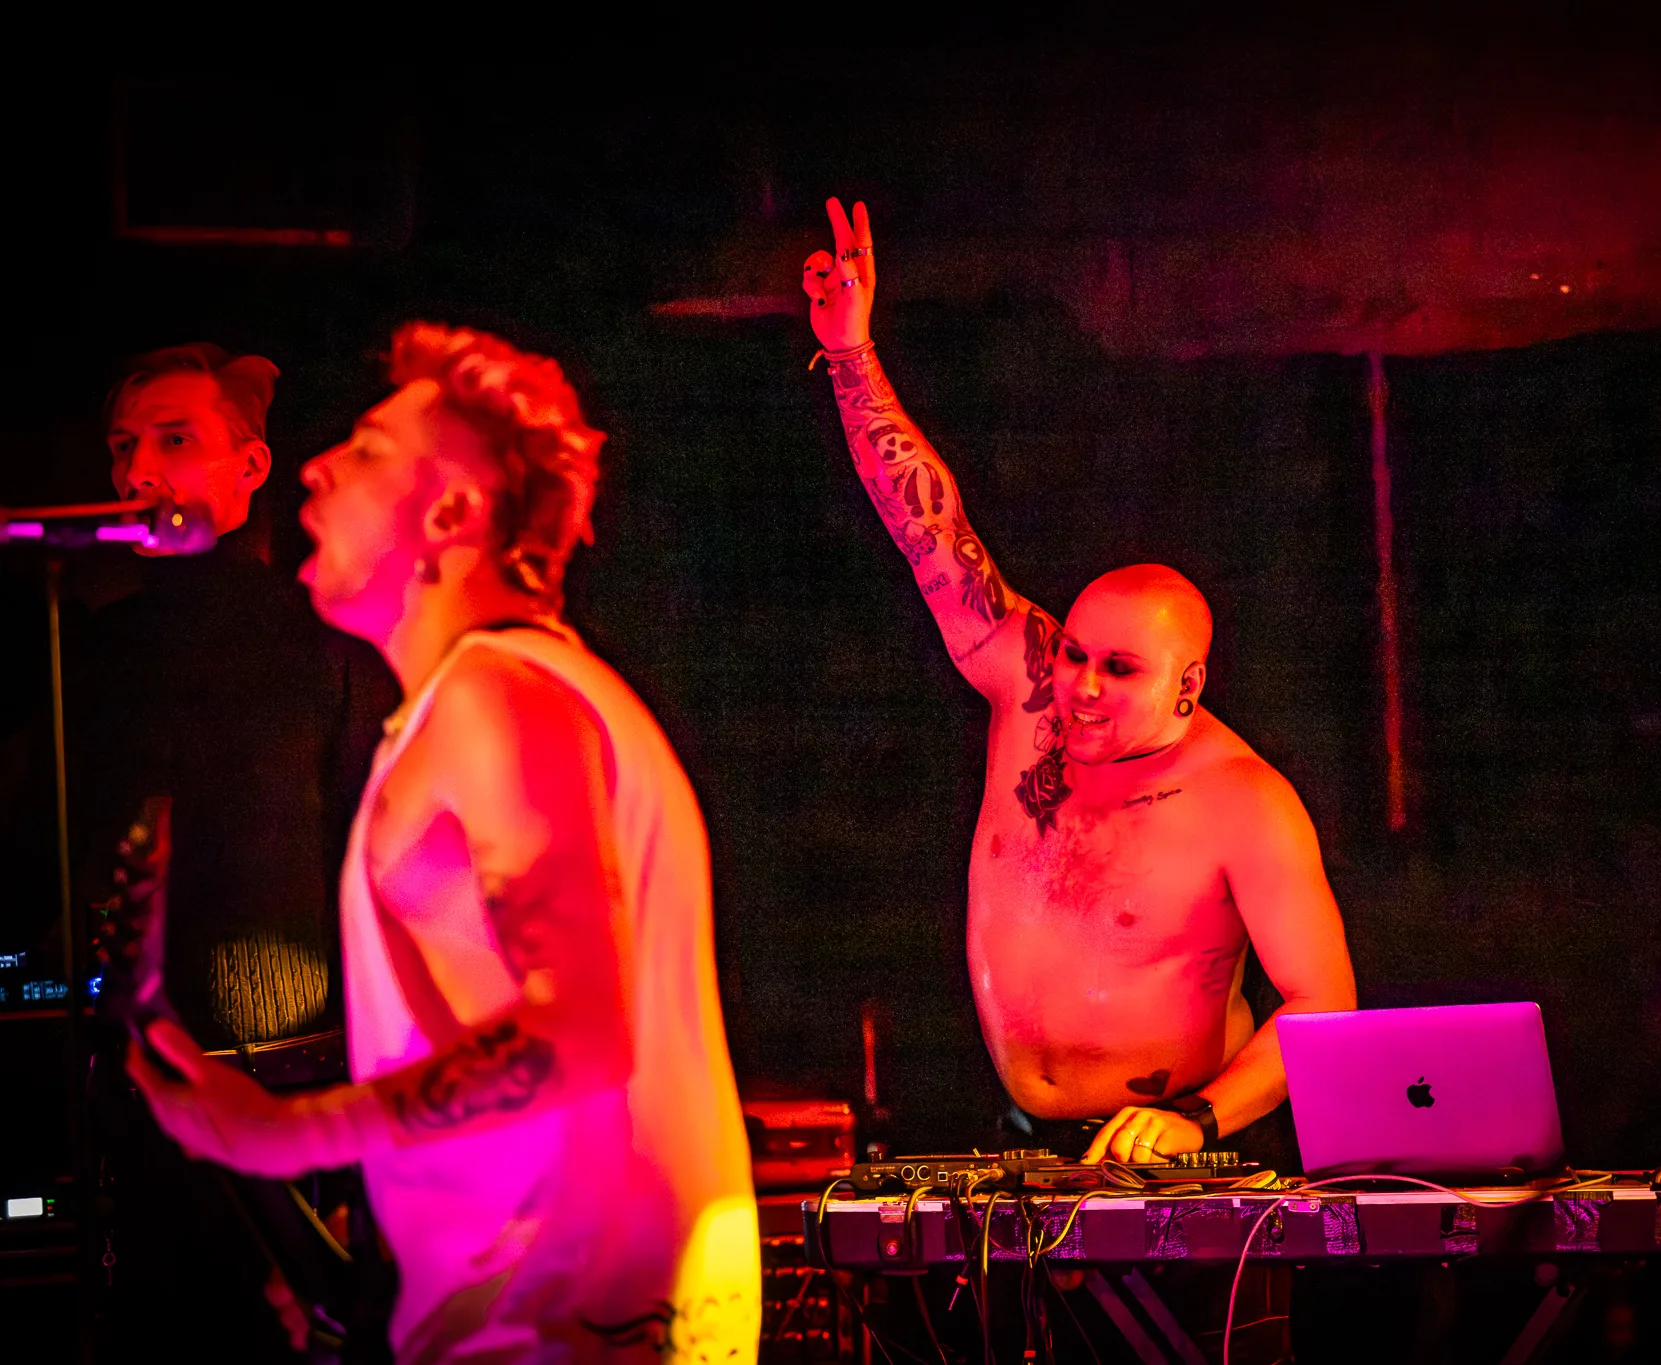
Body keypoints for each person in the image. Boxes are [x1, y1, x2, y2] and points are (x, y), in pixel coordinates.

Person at [130, 323, 758, 1363]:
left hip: (564, 1318)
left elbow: (575, 1033)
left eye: (368, 451)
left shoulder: (494, 693)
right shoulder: (506, 695)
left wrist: (289, 1132)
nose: (317, 468)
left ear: (452, 514)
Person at [802, 199, 1356, 1169]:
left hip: (1175, 1147)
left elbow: (1323, 1005)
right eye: (1074, 654)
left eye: (1119, 669)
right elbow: (929, 528)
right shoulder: (1028, 686)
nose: (1080, 686)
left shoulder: (1244, 801)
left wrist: (1197, 1120)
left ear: (1187, 687)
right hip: (1019, 1139)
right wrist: (851, 354)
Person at [71, 343, 396, 1360]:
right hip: (138, 1111)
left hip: (293, 1103)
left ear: (250, 465)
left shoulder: (329, 643)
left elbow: (378, 882)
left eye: (174, 440)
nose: (139, 471)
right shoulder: (87, 652)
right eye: (123, 448)